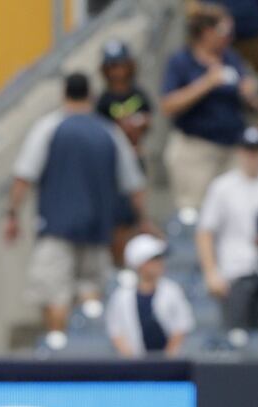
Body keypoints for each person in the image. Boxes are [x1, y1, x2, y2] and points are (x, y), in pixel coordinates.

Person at [6, 72, 147, 334]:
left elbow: (24, 176)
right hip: (98, 231)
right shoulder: (109, 131)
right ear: (90, 96)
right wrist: (140, 222)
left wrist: (13, 215)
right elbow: (134, 186)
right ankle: (87, 349)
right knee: (91, 293)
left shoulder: (49, 128)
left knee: (55, 295)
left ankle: (58, 349)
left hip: (57, 228)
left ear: (64, 94)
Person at [161, 2, 258, 212]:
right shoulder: (182, 61)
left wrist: (250, 94)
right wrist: (207, 83)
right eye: (223, 31)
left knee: (235, 211)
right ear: (206, 32)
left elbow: (253, 101)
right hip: (196, 151)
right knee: (195, 211)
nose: (229, 37)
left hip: (231, 149)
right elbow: (168, 105)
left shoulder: (231, 58)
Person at [197, 125, 258, 327]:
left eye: (257, 151)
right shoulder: (223, 186)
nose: (253, 156)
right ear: (240, 152)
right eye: (248, 150)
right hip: (235, 273)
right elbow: (205, 232)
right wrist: (211, 272)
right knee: (237, 337)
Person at [96, 39, 154, 265]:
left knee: (136, 214)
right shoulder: (103, 101)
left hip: (136, 157)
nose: (117, 71)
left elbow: (148, 120)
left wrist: (138, 126)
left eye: (120, 65)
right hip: (112, 168)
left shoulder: (138, 94)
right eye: (112, 66)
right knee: (116, 220)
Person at [106, 234, 195, 356]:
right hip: (134, 364)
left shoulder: (172, 290)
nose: (160, 263)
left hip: (170, 363)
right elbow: (116, 331)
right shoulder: (121, 296)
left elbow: (182, 325)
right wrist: (132, 360)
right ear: (140, 264)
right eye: (154, 259)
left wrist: (168, 359)